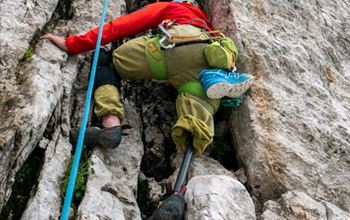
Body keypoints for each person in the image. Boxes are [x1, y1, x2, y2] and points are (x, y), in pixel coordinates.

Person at [41, 0, 254, 154]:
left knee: (107, 62)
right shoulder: (206, 23)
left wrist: (72, 44)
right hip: (206, 63)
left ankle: (111, 124)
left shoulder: (170, 7)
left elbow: (120, 27)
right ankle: (179, 193)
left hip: (173, 46)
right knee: (195, 128)